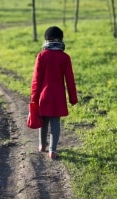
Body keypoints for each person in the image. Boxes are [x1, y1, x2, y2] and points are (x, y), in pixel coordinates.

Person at [30, 26, 78, 159]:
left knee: (43, 121)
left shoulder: (41, 56)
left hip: (43, 96)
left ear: (47, 40)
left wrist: (34, 98)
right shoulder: (65, 58)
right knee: (55, 123)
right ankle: (53, 150)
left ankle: (42, 145)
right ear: (60, 40)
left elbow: (36, 80)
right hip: (58, 97)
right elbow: (70, 80)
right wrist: (73, 98)